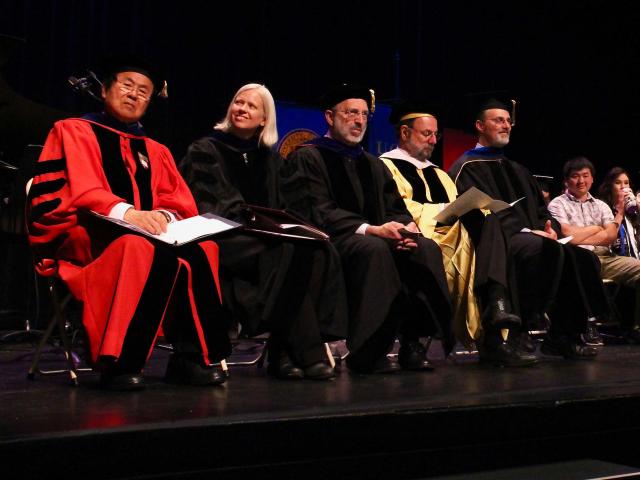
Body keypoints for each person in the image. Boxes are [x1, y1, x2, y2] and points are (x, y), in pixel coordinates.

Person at [28, 58, 230, 390]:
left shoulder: (156, 149)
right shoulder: (74, 130)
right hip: (89, 240)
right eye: (126, 85)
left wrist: (163, 217)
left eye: (143, 91)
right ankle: (120, 363)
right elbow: (81, 189)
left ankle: (189, 358)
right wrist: (128, 214)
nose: (134, 95)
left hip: (146, 239)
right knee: (139, 246)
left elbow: (176, 199)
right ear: (105, 89)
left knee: (203, 248)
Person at [180, 83, 347, 380]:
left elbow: (292, 206)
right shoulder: (204, 150)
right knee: (286, 252)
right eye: (238, 103)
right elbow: (212, 203)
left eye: (251, 106)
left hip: (265, 242)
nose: (241, 109)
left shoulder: (271, 160)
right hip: (224, 237)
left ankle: (284, 353)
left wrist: (294, 228)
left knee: (318, 250)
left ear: (264, 119)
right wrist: (258, 224)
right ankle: (304, 352)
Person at [286, 84, 452, 374]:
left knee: (424, 247)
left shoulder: (373, 165)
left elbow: (394, 209)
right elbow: (317, 211)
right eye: (351, 113)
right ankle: (369, 350)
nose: (359, 120)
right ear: (329, 116)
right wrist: (371, 230)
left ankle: (414, 342)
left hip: (376, 236)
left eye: (364, 114)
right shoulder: (308, 157)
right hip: (332, 240)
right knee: (373, 248)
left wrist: (404, 230)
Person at [449, 97, 608, 360]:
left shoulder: (518, 169)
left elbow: (541, 211)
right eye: (498, 120)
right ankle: (513, 334)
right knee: (541, 249)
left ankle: (562, 335)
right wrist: (527, 232)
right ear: (479, 125)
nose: (506, 125)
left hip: (532, 238)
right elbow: (477, 213)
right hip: (494, 244)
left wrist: (550, 227)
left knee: (581, 256)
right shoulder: (465, 168)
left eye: (508, 121)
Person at [379, 101, 532, 366]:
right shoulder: (385, 166)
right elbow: (398, 209)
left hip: (451, 232)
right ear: (404, 133)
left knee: (488, 218)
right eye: (426, 134)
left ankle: (494, 319)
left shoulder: (439, 172)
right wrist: (444, 212)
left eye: (436, 135)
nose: (433, 141)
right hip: (419, 231)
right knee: (478, 231)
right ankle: (491, 314)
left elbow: (454, 204)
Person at [549, 159, 640, 342]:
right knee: (582, 260)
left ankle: (635, 327)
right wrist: (596, 229)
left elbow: (611, 235)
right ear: (567, 181)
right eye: (575, 176)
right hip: (575, 259)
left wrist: (583, 234)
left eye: (585, 176)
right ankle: (586, 323)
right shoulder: (557, 204)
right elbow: (566, 233)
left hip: (605, 257)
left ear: (591, 179)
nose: (581, 181)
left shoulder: (600, 205)